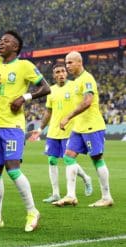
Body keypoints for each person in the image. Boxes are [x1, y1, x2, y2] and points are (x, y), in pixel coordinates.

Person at [0, 30, 50, 232]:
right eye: (0, 41)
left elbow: (45, 88)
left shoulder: (24, 66)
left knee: (13, 168)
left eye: (5, 41)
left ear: (15, 47)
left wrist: (24, 98)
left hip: (13, 127)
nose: (1, 44)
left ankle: (32, 211)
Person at [53, 51, 114, 207]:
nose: (67, 66)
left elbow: (88, 101)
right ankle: (71, 195)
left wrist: (68, 117)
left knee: (97, 159)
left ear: (79, 62)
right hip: (79, 127)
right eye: (66, 63)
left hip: (92, 125)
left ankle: (106, 197)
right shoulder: (76, 81)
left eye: (70, 63)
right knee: (68, 157)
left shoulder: (87, 79)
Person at [29, 63, 93, 203]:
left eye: (63, 71)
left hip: (70, 130)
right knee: (51, 160)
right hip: (53, 131)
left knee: (69, 160)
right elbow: (48, 112)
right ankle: (56, 193)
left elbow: (86, 103)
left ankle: (82, 182)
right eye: (57, 72)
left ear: (66, 73)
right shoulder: (50, 91)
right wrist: (40, 129)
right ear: (54, 75)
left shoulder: (75, 86)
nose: (60, 74)